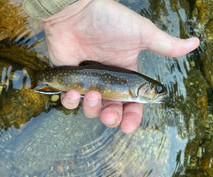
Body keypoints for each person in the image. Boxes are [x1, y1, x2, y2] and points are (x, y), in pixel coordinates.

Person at [24, 0, 200, 133]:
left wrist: (70, 8)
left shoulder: (134, 85)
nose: (159, 94)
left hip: (74, 69)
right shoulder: (132, 87)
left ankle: (32, 78)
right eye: (157, 90)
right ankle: (33, 78)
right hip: (75, 72)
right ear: (144, 87)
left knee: (79, 95)